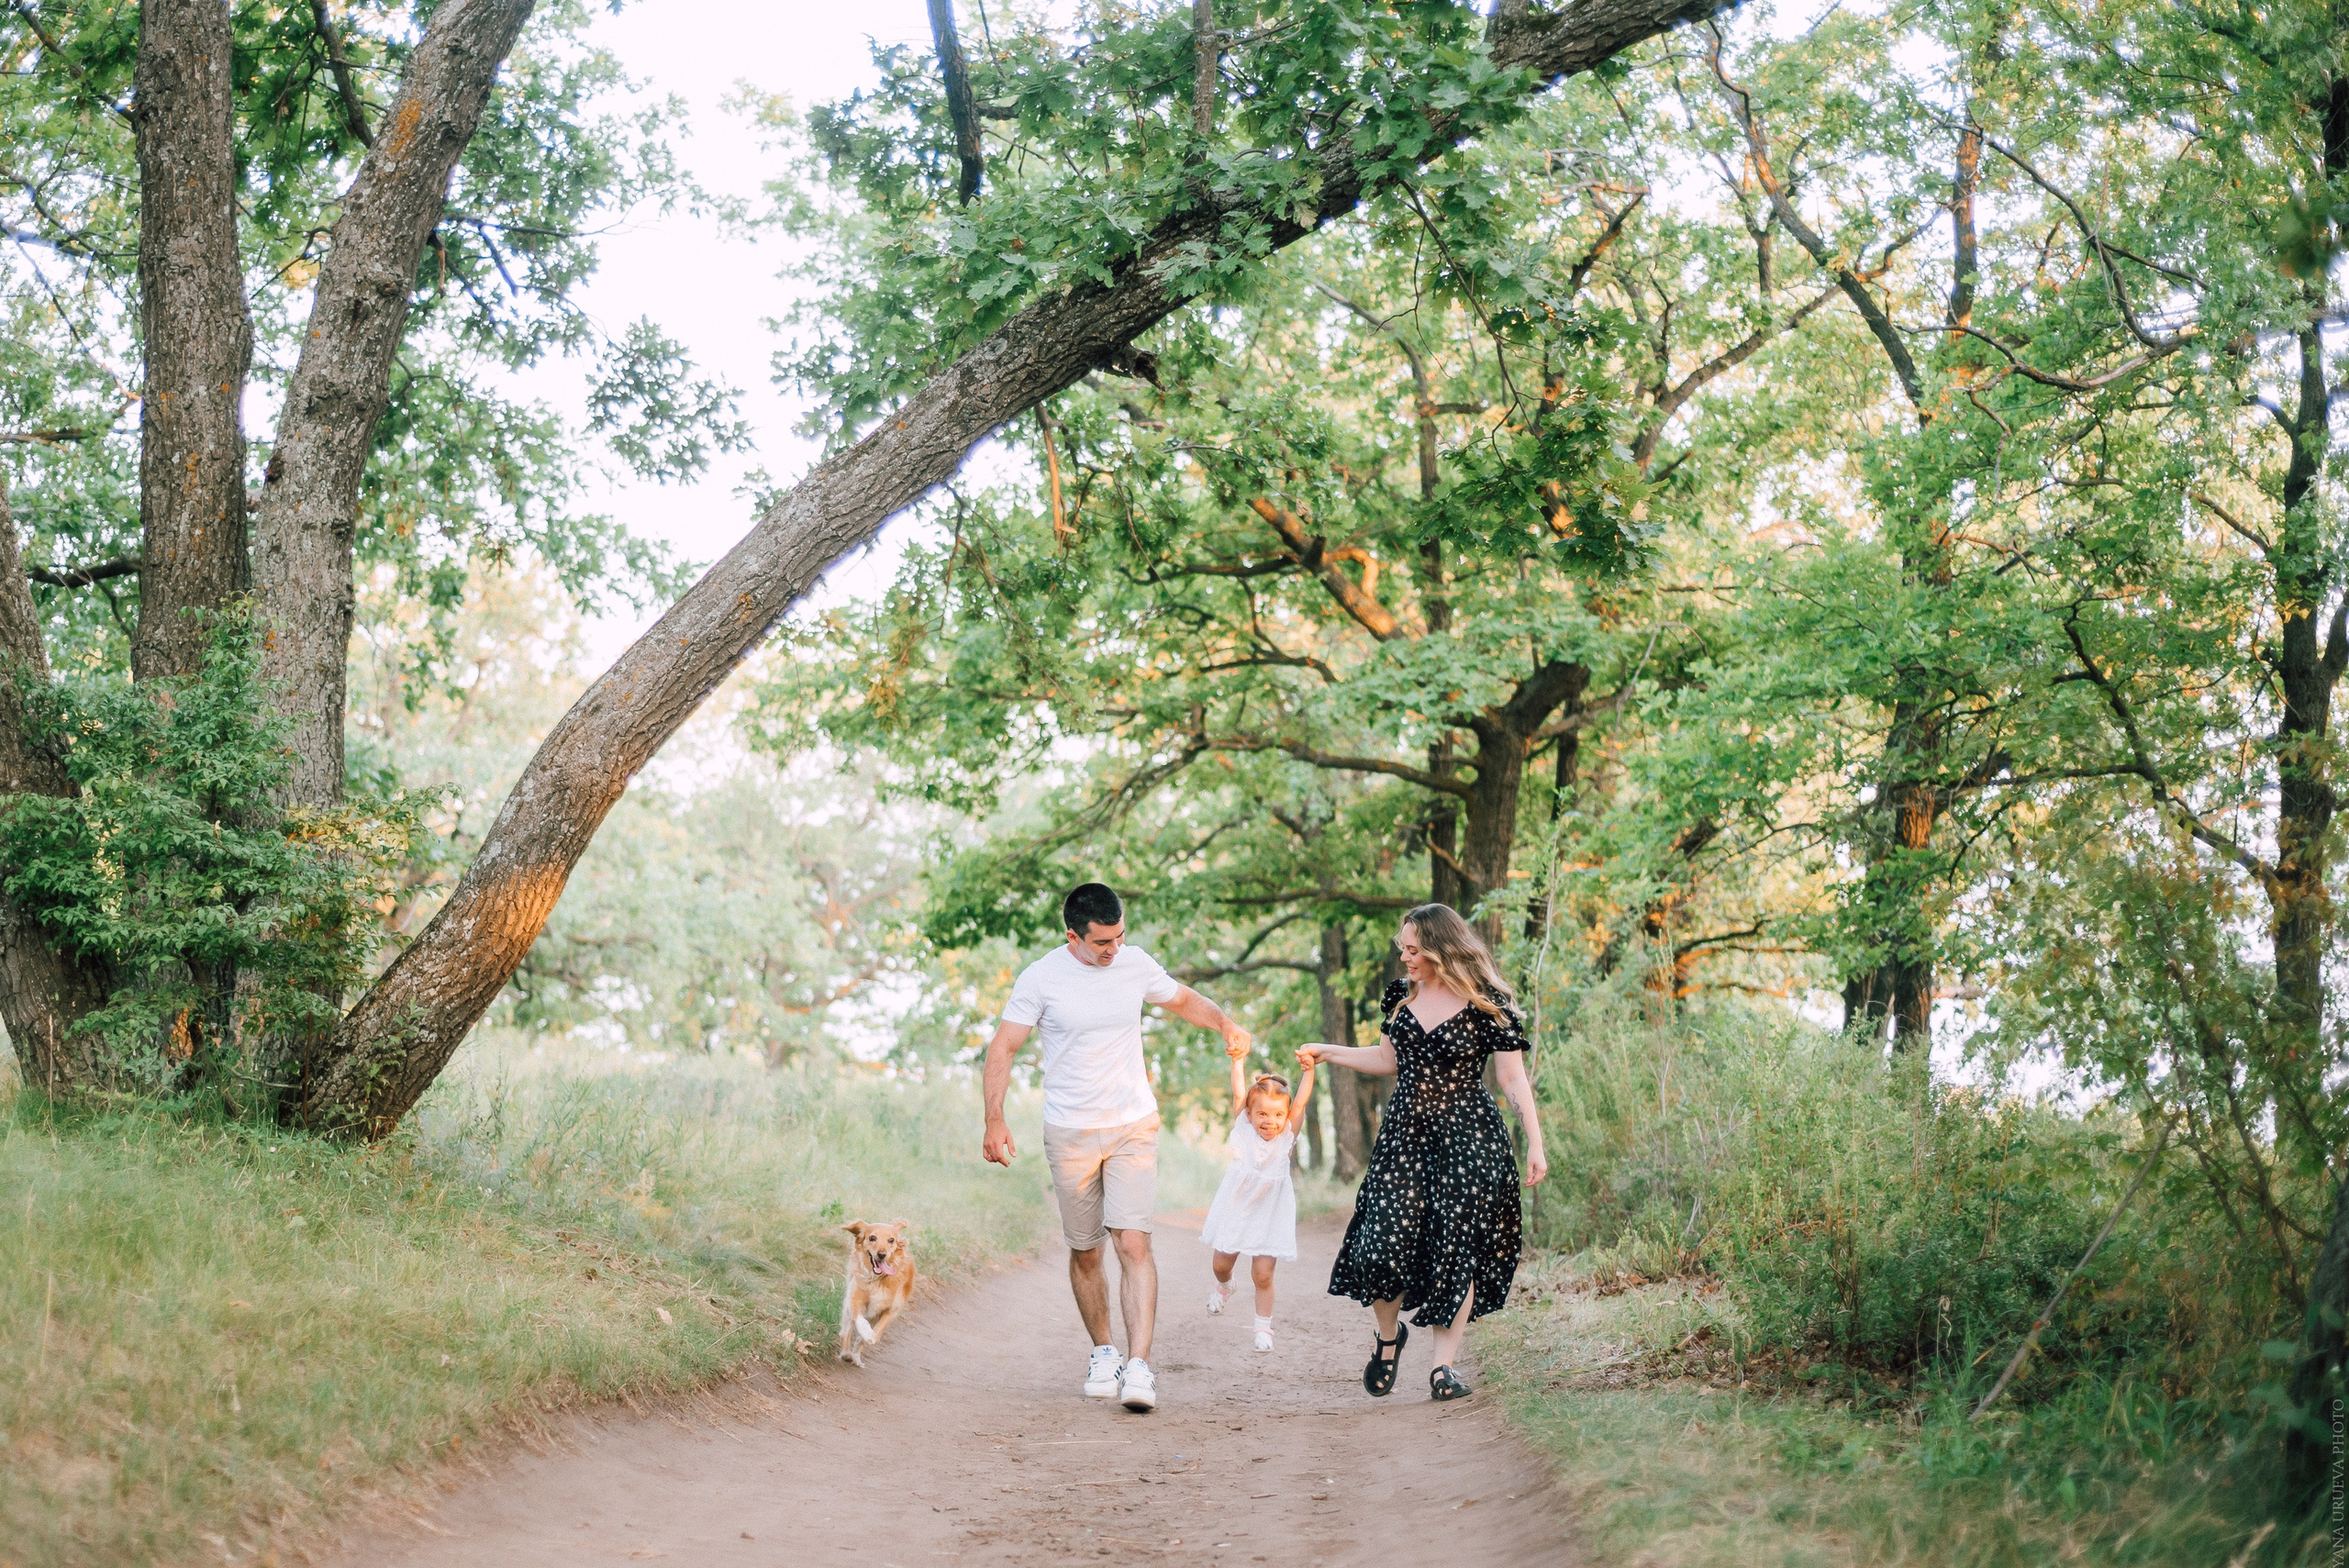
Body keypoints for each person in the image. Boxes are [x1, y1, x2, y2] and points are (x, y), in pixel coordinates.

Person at [981, 883, 1253, 1413]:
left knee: (1133, 1242)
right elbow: (1003, 1047)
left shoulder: (1133, 964)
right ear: (1073, 936)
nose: (1113, 949)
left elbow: (1182, 999)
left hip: (1132, 1125)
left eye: (1120, 937)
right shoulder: (1041, 978)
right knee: (1086, 1250)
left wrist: (1223, 1020)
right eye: (1102, 942)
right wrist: (994, 1118)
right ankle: (1103, 1352)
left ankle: (1140, 1367)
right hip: (1071, 1131)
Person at [1297, 903, 1548, 1403]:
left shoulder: (1486, 1000)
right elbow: (1389, 1059)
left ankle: (1443, 1368)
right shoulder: (1402, 996)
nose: (1405, 957)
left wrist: (1535, 1142)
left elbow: (1511, 1076)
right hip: (1405, 1138)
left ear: (1439, 947)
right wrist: (1330, 1051)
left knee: (1457, 1249)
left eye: (1413, 949)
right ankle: (1389, 1340)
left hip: (1469, 1139)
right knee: (1383, 1243)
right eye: (1402, 948)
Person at [1200, 1044, 1317, 1351]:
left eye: (1278, 1114)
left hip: (1269, 1213)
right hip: (1237, 1208)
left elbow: (1302, 1104)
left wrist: (1309, 1071)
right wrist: (1237, 1061)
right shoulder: (1244, 1132)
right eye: (1262, 1113)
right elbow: (1239, 1093)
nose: (1270, 1121)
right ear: (1250, 1115)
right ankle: (1225, 1285)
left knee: (1263, 1274)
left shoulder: (1285, 1138)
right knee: (1221, 1264)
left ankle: (1263, 1328)